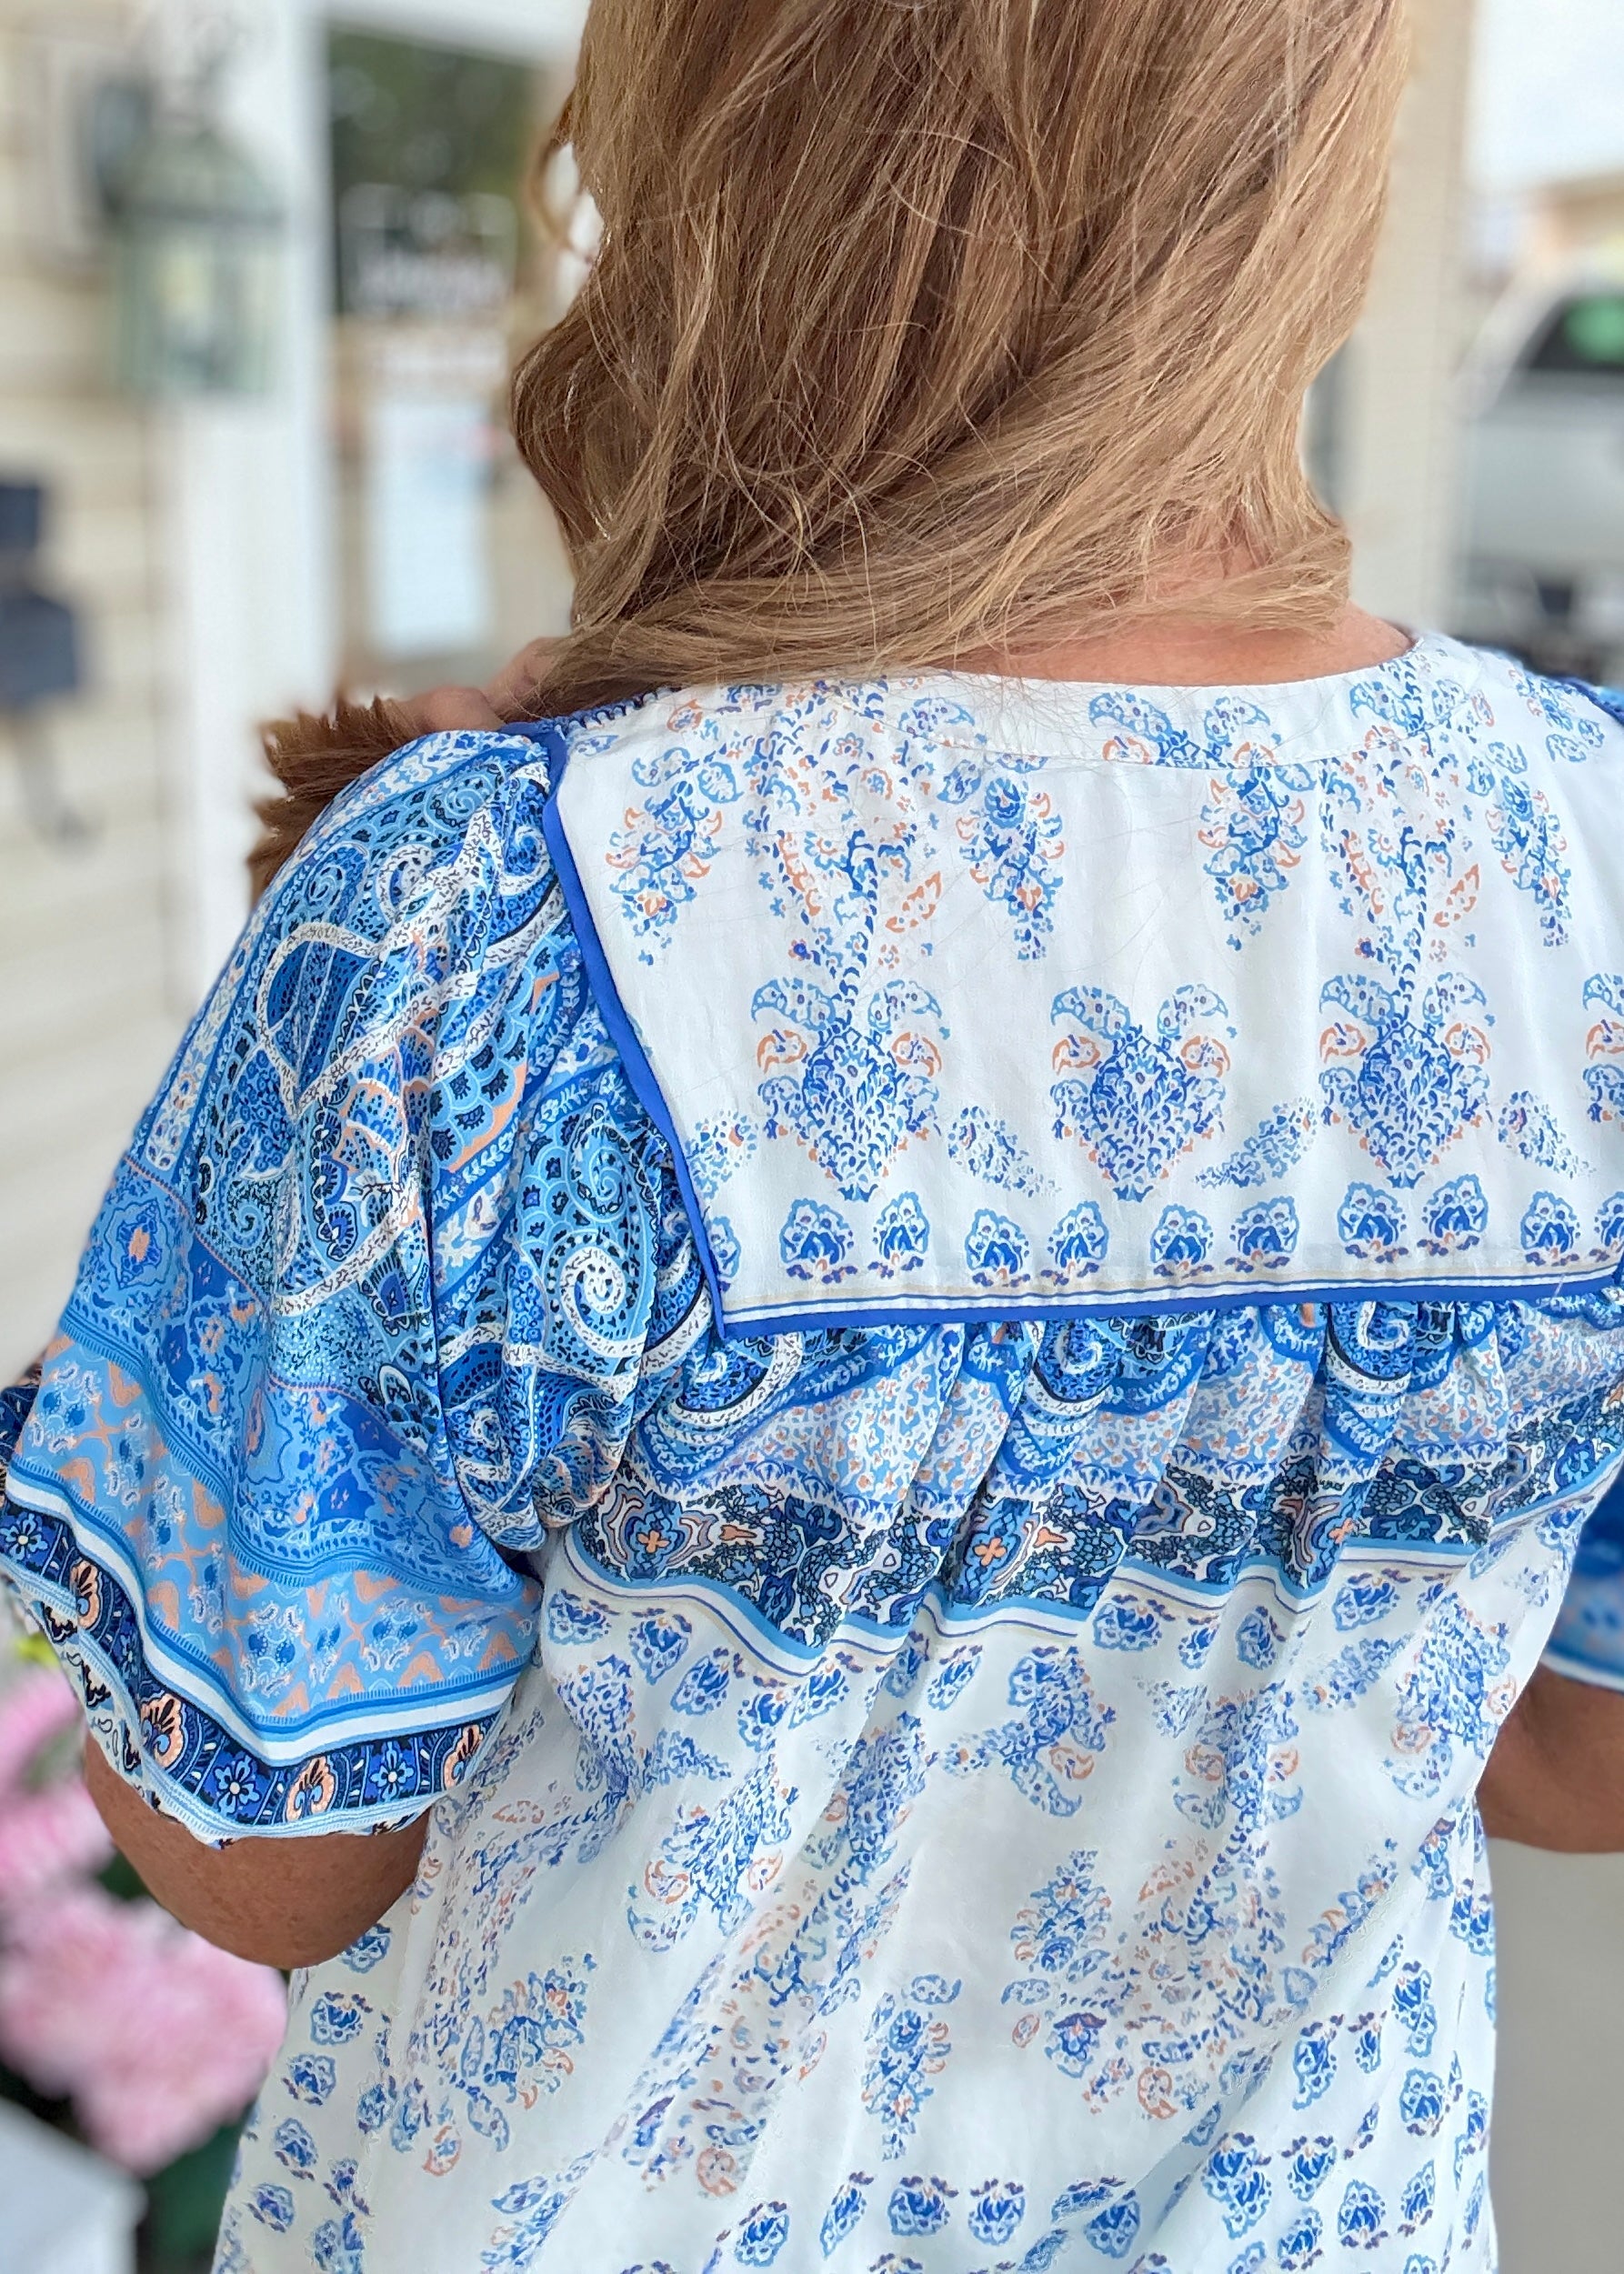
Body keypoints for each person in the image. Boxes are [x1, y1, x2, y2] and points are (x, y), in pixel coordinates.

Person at [5, 0, 1624, 2266]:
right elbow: (1574, 1758)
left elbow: (263, 1856)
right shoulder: (1586, 859)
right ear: (1305, 179)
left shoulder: (487, 910)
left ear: (708, 159)